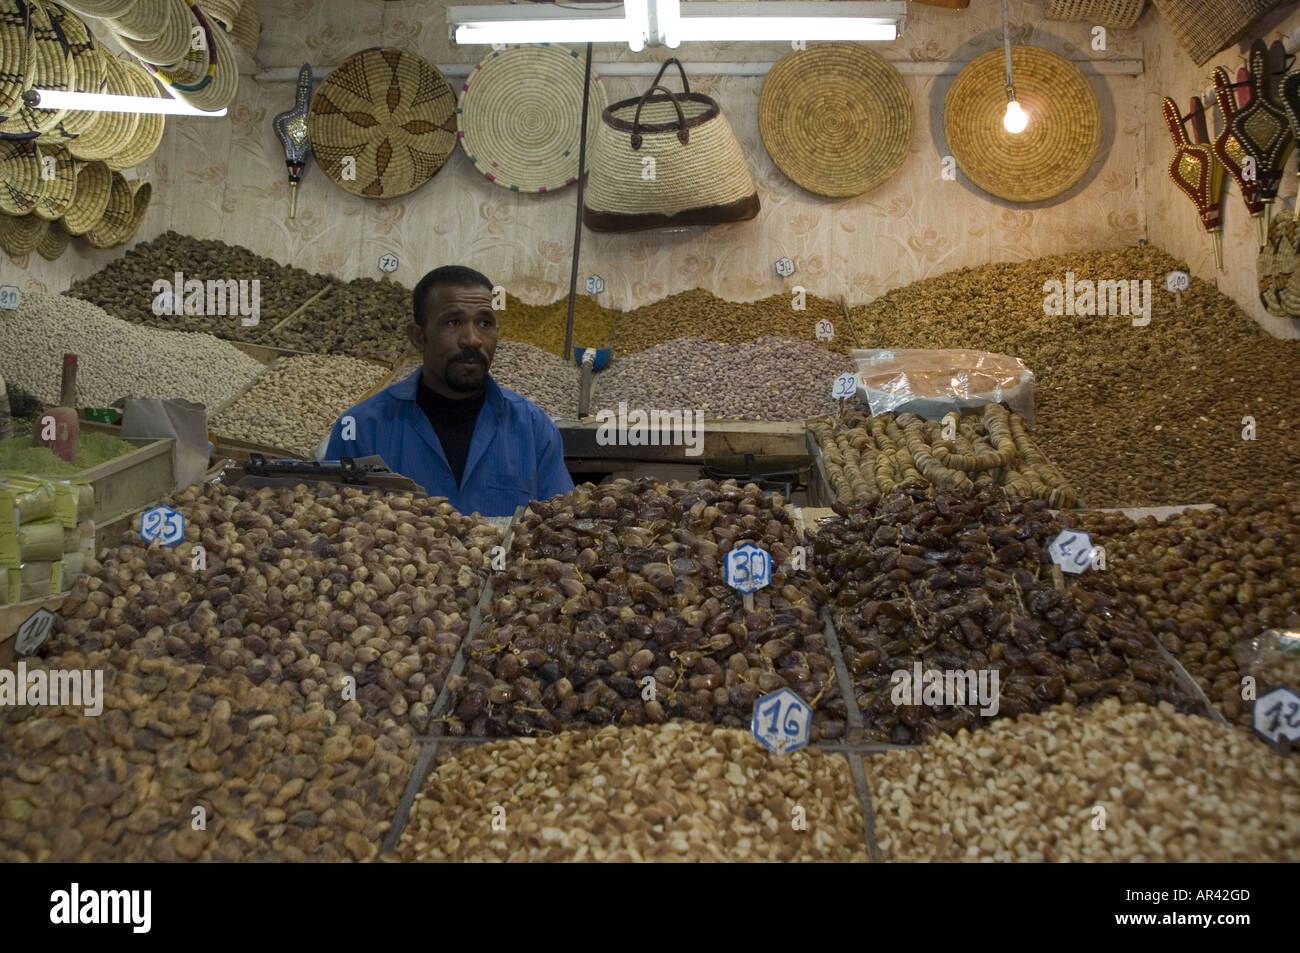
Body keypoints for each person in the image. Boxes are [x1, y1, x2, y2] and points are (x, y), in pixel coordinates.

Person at [324, 265, 574, 517]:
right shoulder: (360, 428)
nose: (472, 339)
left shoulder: (533, 428)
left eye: (485, 323)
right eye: (453, 322)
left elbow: (562, 524)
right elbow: (333, 526)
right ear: (418, 337)